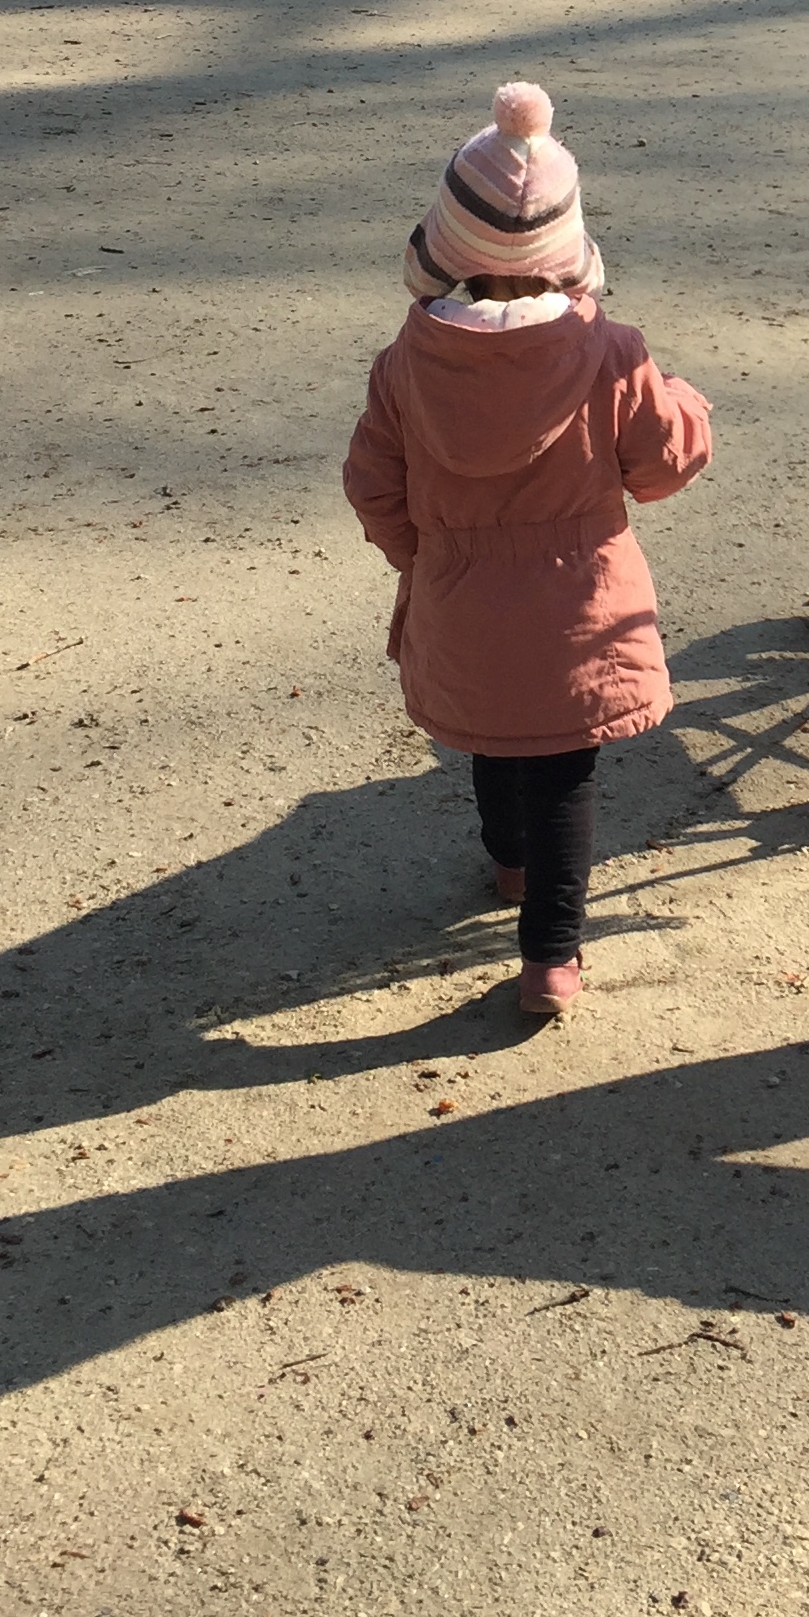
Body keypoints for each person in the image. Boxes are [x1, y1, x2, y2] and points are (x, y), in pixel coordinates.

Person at [343, 82, 712, 1020]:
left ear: (448, 247)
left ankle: (505, 862)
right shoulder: (612, 351)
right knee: (565, 776)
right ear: (567, 250)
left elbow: (373, 484)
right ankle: (550, 957)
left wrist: (418, 559)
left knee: (490, 735)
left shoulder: (406, 364)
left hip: (462, 594)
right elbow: (664, 464)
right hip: (581, 606)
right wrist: (687, 400)